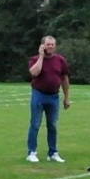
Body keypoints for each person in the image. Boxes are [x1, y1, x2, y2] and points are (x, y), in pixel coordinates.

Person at [24, 34, 70, 163]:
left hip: (54, 96)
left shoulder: (60, 60)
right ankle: (32, 152)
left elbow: (64, 79)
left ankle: (53, 152)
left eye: (52, 44)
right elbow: (34, 72)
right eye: (48, 44)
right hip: (39, 95)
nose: (50, 46)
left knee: (53, 125)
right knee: (35, 124)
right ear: (42, 45)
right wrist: (41, 57)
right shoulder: (35, 59)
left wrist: (67, 98)